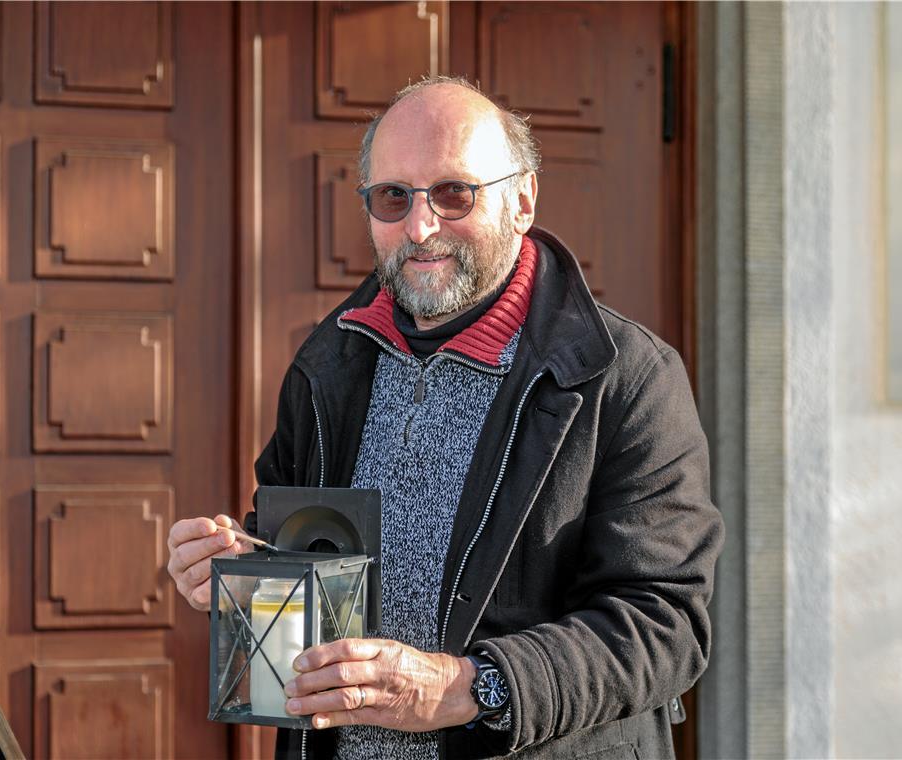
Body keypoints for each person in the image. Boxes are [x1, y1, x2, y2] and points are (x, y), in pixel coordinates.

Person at [167, 76, 723, 760]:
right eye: (393, 196)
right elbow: (302, 563)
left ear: (523, 200)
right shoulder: (328, 363)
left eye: (455, 193)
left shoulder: (625, 378)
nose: (420, 226)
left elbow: (664, 626)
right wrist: (234, 570)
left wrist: (469, 687)